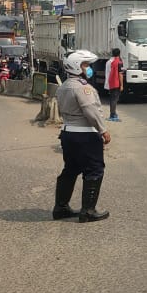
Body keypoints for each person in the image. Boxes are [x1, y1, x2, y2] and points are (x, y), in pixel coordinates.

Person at [53, 50, 111, 222]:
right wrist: (103, 130)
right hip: (85, 135)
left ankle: (61, 207)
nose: (89, 68)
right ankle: (88, 211)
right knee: (94, 170)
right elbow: (90, 110)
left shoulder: (63, 86)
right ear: (77, 67)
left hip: (67, 133)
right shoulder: (83, 87)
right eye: (86, 65)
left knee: (70, 169)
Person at [105, 47, 124, 122]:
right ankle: (113, 115)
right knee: (115, 99)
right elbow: (120, 74)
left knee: (112, 98)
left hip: (111, 82)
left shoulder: (110, 61)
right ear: (119, 54)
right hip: (116, 83)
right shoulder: (119, 62)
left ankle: (112, 114)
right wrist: (122, 85)